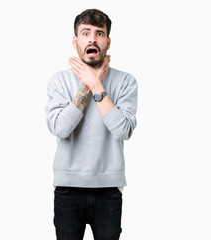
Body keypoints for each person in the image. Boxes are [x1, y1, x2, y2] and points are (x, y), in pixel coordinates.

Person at [45, 9, 138, 240]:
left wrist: (97, 86)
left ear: (107, 42)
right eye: (85, 33)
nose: (92, 39)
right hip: (67, 189)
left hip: (108, 190)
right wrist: (87, 84)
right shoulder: (59, 80)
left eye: (99, 33)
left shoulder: (126, 81)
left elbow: (122, 130)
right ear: (76, 41)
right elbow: (60, 129)